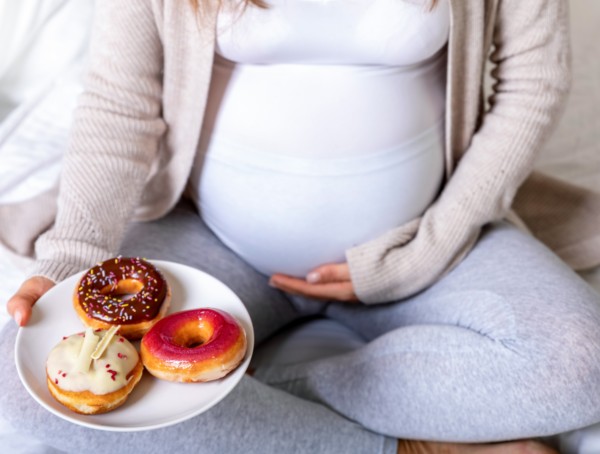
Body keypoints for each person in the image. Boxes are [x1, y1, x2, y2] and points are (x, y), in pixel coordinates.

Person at [2, 0, 600, 452]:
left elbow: (533, 84)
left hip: (426, 242)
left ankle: (267, 385)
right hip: (219, 241)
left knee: (582, 365)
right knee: (20, 382)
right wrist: (69, 262)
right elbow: (119, 105)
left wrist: (423, 253)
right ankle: (409, 446)